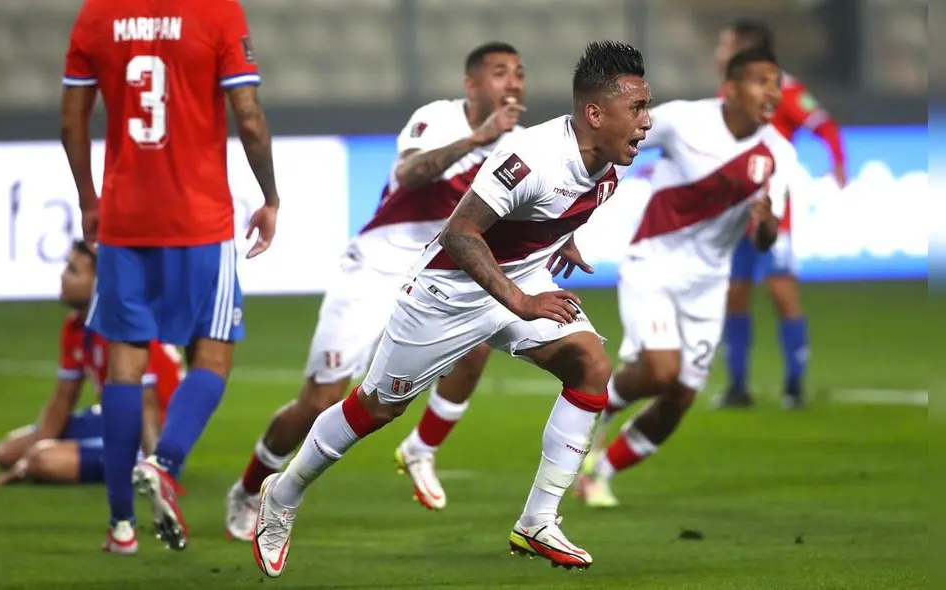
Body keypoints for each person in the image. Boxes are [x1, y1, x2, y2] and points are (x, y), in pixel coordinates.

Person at [251, 40, 652, 578]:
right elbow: (460, 233)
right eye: (638, 109)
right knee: (377, 408)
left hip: (521, 279)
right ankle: (283, 492)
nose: (646, 122)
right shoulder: (530, 157)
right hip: (448, 292)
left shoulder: (613, 158)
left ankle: (538, 520)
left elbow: (553, 213)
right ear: (594, 113)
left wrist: (561, 243)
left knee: (591, 366)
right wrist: (522, 301)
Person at [224, 42, 526, 539]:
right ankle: (249, 487)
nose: (512, 83)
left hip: (437, 274)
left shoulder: (523, 146)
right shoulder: (440, 119)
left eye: (518, 74)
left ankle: (421, 450)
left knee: (479, 341)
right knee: (320, 400)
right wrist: (478, 138)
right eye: (499, 73)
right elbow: (409, 173)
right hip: (378, 266)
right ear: (472, 85)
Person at [61, 0, 280, 553]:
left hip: (125, 216)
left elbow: (71, 120)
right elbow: (249, 118)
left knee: (124, 363)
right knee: (213, 354)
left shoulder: (96, 15)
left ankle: (120, 527)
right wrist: (271, 196)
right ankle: (164, 463)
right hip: (199, 219)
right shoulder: (218, 12)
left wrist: (89, 198)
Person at [575, 47, 796, 509]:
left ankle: (600, 471)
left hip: (709, 283)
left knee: (679, 397)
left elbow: (764, 242)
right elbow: (613, 143)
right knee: (660, 371)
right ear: (731, 89)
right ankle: (602, 403)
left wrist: (768, 223)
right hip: (653, 264)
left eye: (775, 82)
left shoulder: (778, 153)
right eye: (760, 81)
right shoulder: (682, 121)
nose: (772, 91)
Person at [713, 19, 847, 409]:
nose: (719, 52)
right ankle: (738, 387)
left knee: (781, 292)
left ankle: (794, 386)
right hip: (734, 211)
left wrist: (838, 163)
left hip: (774, 211)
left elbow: (823, 125)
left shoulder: (786, 89)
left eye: (726, 45)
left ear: (746, 48)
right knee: (735, 295)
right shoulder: (730, 91)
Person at [0, 241, 184, 488]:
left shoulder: (122, 326)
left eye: (73, 270)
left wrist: (158, 466)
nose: (62, 277)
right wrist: (29, 456)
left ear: (99, 282)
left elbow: (147, 403)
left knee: (44, 461)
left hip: (149, 432)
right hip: (111, 417)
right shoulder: (75, 327)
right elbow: (64, 397)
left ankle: (144, 467)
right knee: (6, 452)